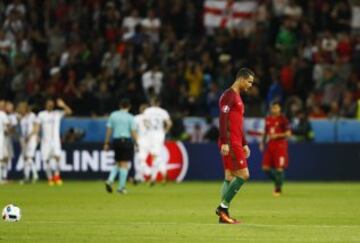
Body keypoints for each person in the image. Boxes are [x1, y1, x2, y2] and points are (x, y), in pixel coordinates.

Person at [216, 67, 254, 224]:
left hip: (236, 140)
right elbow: (223, 118)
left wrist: (244, 143)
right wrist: (225, 141)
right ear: (241, 79)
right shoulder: (229, 96)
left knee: (229, 176)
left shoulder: (237, 96)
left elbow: (237, 123)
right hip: (231, 141)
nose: (250, 85)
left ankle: (223, 216)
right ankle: (222, 208)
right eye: (249, 82)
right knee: (244, 175)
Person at [104, 99, 138, 194]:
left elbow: (109, 129)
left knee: (118, 162)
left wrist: (106, 142)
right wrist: (137, 143)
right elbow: (133, 131)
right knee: (124, 164)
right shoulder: (130, 117)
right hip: (126, 141)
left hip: (116, 141)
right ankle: (121, 187)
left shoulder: (113, 115)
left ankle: (110, 180)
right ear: (129, 107)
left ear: (119, 106)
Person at [260, 101, 291, 196]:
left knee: (279, 168)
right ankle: (278, 182)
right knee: (265, 168)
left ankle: (278, 189)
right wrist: (262, 143)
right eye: (273, 108)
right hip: (270, 145)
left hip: (280, 145)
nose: (274, 110)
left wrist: (277, 135)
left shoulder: (283, 119)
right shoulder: (268, 119)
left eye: (276, 108)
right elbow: (265, 132)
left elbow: (289, 133)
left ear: (280, 109)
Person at [37, 98, 72, 186]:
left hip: (55, 141)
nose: (50, 105)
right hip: (45, 141)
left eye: (52, 104)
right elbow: (37, 125)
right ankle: (50, 178)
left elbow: (69, 112)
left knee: (58, 158)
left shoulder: (57, 113)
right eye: (49, 104)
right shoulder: (41, 114)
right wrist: (37, 135)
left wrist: (63, 105)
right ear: (46, 105)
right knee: (46, 160)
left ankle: (56, 176)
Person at [143, 97, 172, 186]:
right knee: (155, 155)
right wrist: (165, 131)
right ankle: (154, 178)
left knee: (154, 156)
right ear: (159, 103)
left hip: (151, 134)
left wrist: (148, 128)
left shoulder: (147, 111)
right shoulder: (163, 112)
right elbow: (169, 123)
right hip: (160, 134)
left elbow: (145, 122)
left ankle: (162, 173)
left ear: (152, 102)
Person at [17, 101, 40, 183]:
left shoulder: (32, 116)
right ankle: (26, 177)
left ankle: (35, 175)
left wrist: (31, 136)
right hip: (25, 139)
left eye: (21, 108)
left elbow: (36, 127)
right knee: (25, 158)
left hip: (32, 138)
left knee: (29, 157)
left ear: (25, 108)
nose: (20, 110)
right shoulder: (21, 118)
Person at [133, 103, 151, 183]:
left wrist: (136, 140)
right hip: (149, 141)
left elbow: (133, 130)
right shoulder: (151, 118)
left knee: (138, 159)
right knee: (142, 158)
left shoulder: (136, 118)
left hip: (139, 140)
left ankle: (148, 172)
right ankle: (139, 177)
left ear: (140, 110)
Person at [2, 101, 17, 182]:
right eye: (8, 106)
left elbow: (13, 128)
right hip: (3, 139)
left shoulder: (13, 116)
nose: (9, 108)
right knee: (3, 157)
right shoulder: (2, 115)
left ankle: (4, 176)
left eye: (11, 107)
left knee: (7, 158)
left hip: (8, 139)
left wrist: (8, 131)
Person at [0, 100, 9, 184]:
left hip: (3, 139)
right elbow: (7, 126)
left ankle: (3, 176)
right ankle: (1, 178)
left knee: (5, 158)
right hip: (1, 139)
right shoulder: (3, 114)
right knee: (1, 158)